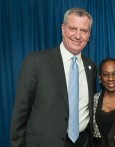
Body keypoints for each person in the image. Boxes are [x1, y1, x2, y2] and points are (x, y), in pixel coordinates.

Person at [10, 8, 96, 147]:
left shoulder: (90, 67)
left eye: (84, 31)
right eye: (73, 28)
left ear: (89, 35)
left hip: (82, 142)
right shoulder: (35, 62)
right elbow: (20, 113)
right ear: (63, 29)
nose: (78, 35)